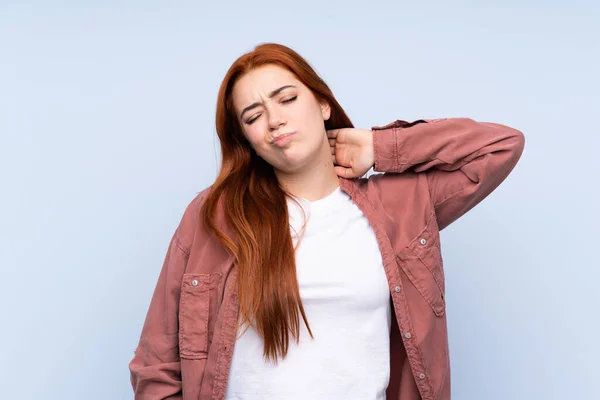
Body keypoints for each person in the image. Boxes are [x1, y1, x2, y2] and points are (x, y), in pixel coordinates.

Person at [128, 42, 525, 400]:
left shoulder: (400, 207)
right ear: (247, 139)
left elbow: (501, 146)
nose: (274, 120)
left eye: (286, 98)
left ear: (322, 104)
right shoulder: (214, 217)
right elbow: (156, 365)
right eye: (253, 116)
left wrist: (378, 145)